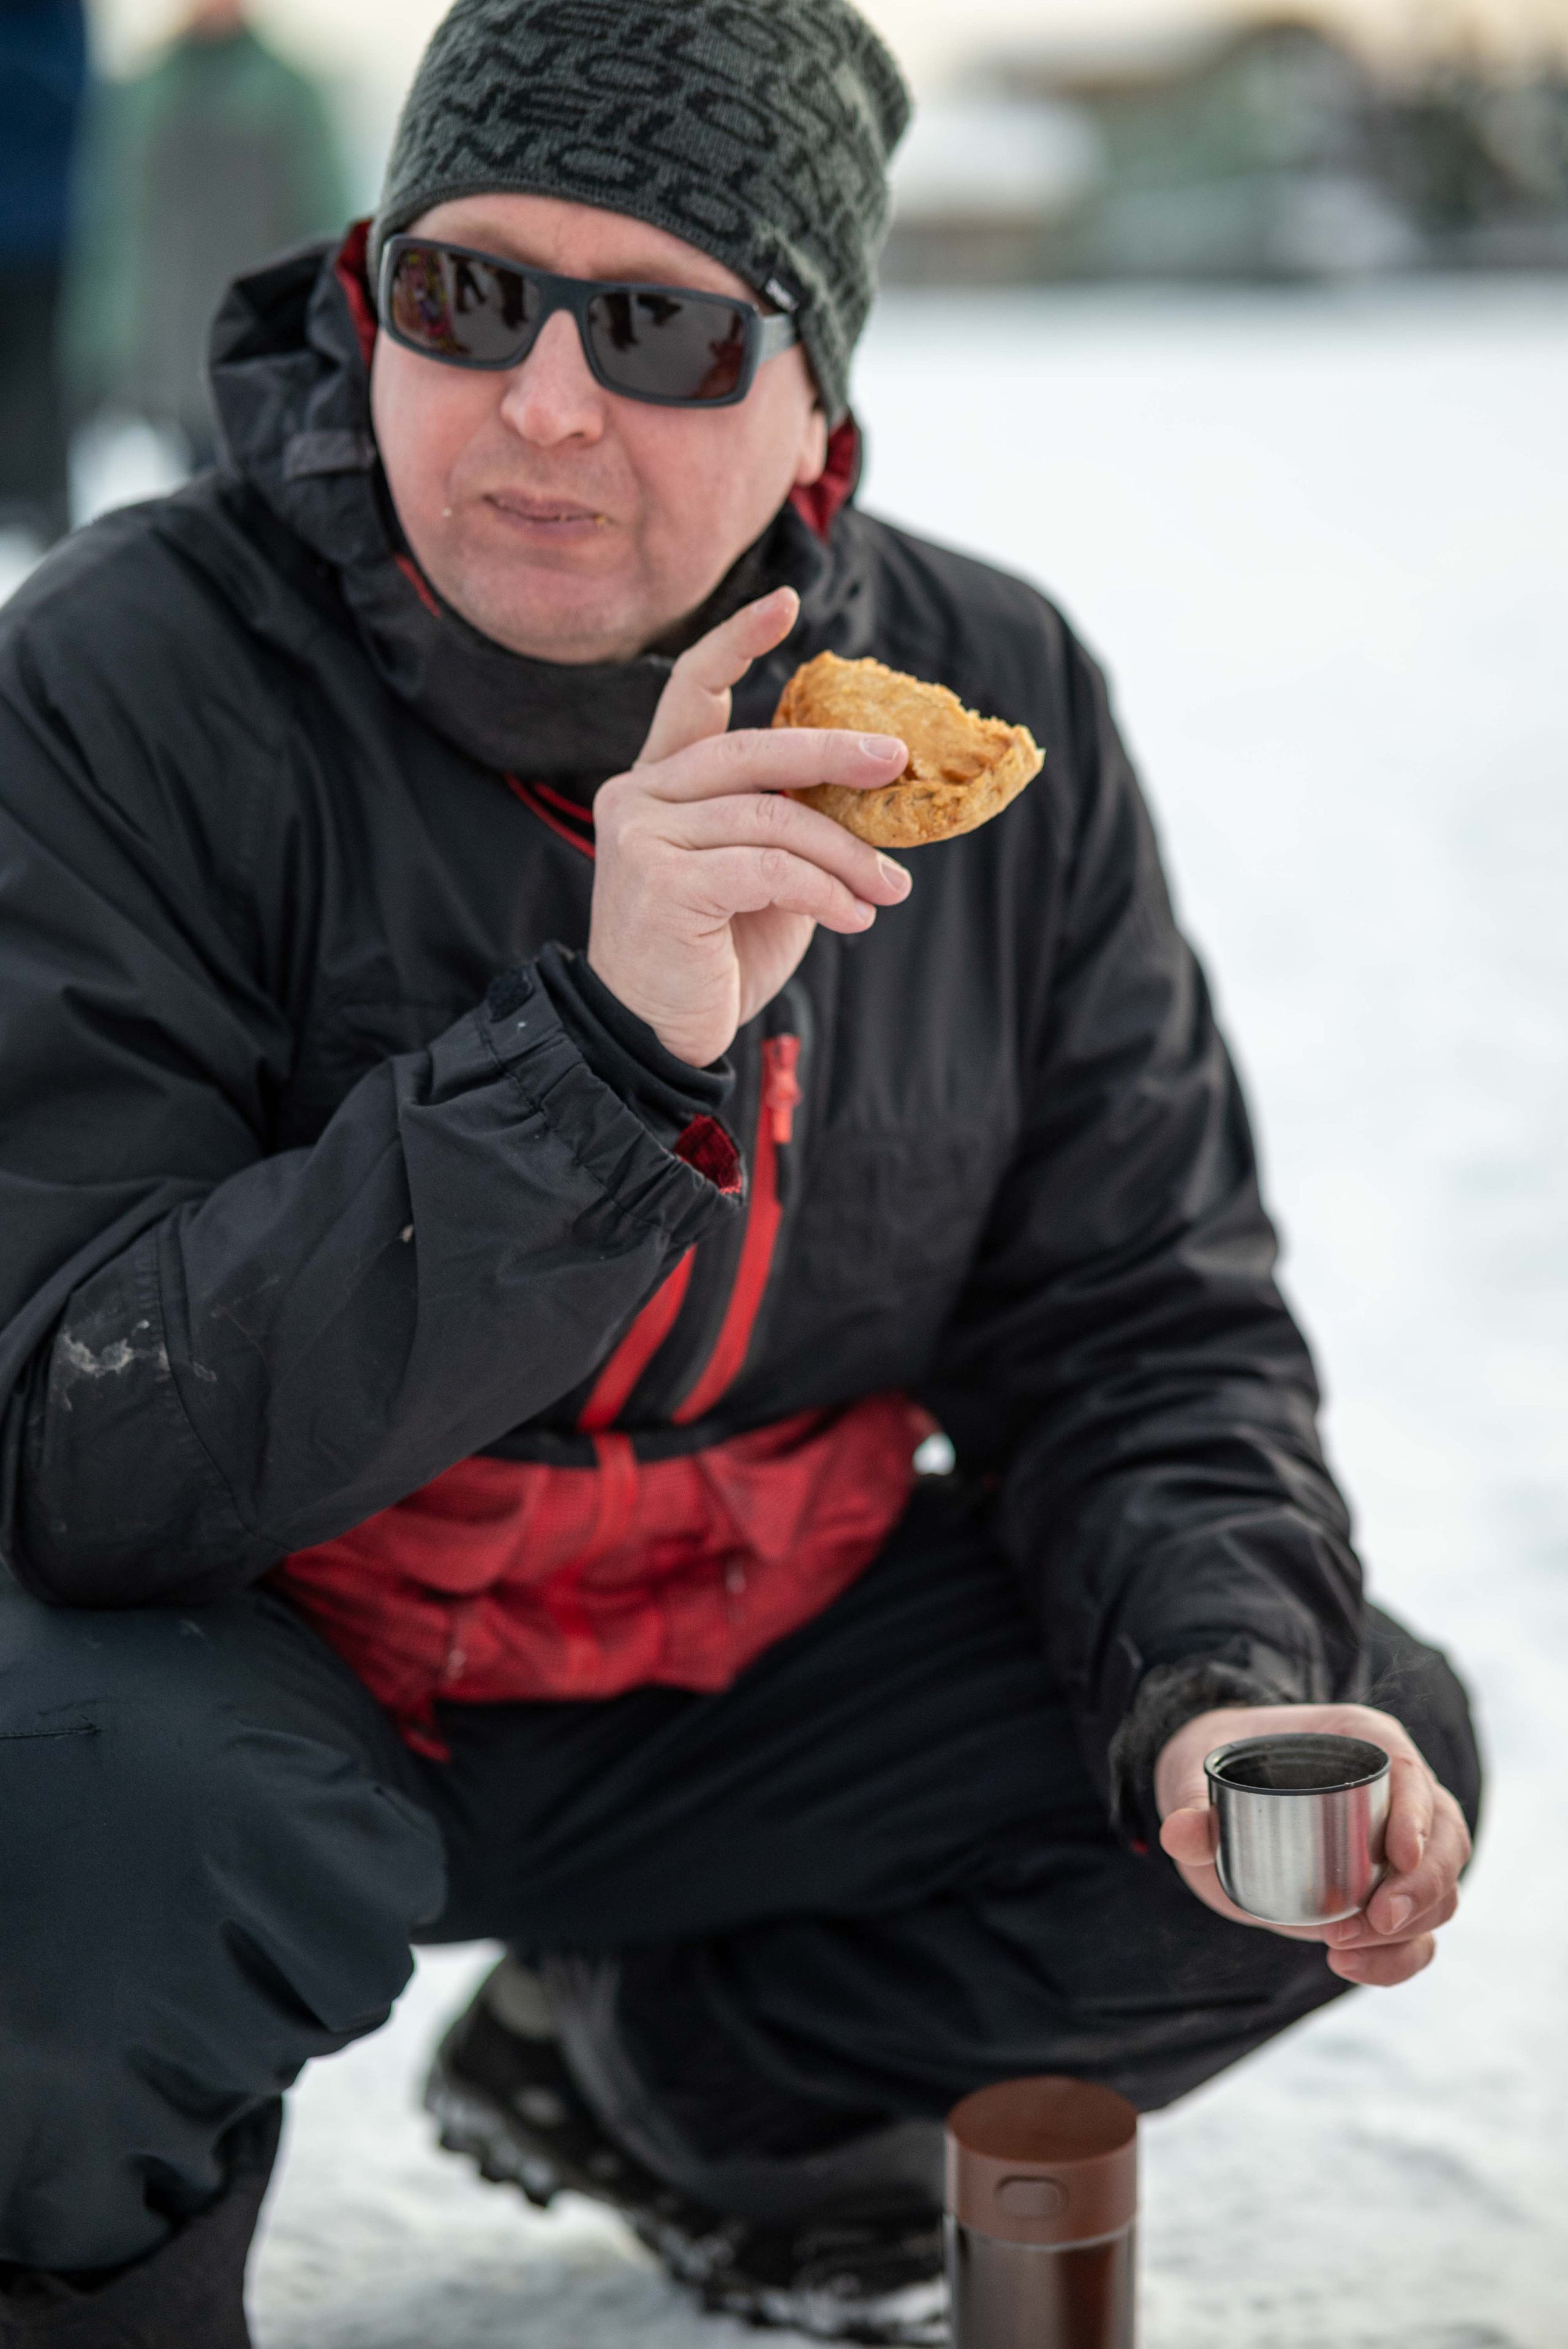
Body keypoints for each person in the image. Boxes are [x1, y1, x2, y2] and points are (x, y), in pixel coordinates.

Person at [0, 2, 1480, 2343]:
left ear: (821, 405)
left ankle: (680, 2081)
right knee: (53, 1802)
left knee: (1294, 1756)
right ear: (368, 293)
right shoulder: (120, 682)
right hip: (260, 1678)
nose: (549, 404)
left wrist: (1216, 1681)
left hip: (729, 1672)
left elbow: (1130, 1316)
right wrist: (603, 1049)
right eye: (467, 297)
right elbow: (69, 1434)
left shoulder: (991, 709)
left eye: (670, 328)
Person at [66, 0, 346, 466]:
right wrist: (105, 342)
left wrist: (323, 330)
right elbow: (118, 229)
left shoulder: (287, 94)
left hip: (266, 350)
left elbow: (323, 220)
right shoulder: (146, 93)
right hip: (177, 353)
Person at [0, 0, 88, 547]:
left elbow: (68, 96)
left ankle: (41, 502)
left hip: (44, 232)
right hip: (37, 221)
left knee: (42, 373)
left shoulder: (57, 19)